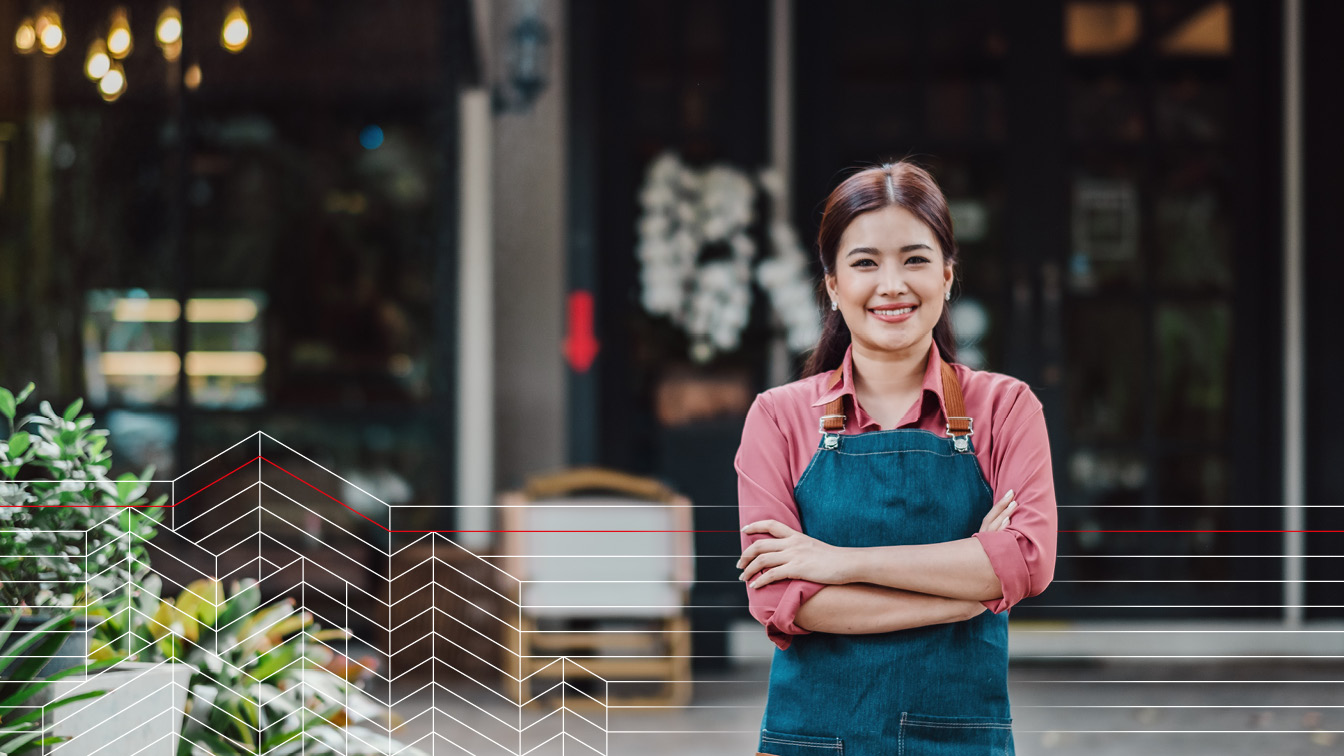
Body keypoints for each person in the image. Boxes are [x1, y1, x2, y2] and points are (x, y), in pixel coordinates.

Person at [735, 162, 1057, 756]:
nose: (892, 285)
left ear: (948, 275)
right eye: (865, 263)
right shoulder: (777, 418)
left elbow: (1028, 562)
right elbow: (778, 600)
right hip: (812, 742)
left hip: (959, 742)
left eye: (914, 259)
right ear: (832, 285)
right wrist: (969, 591)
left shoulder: (1006, 408)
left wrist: (834, 564)